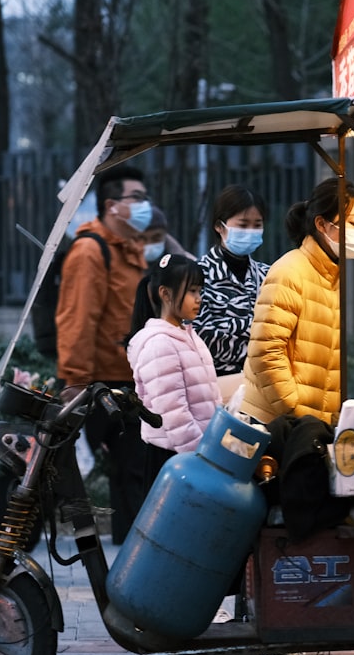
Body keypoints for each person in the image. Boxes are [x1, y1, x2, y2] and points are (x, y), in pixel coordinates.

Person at [55, 163, 150, 545]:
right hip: (97, 387)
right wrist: (76, 384)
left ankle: (131, 556)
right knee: (70, 474)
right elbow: (77, 321)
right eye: (137, 199)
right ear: (112, 205)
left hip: (128, 383)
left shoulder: (130, 251)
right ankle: (15, 541)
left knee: (134, 475)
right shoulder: (90, 253)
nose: (145, 207)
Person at [239, 177, 354, 426]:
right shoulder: (290, 271)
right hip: (276, 425)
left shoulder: (332, 275)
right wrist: (294, 409)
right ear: (321, 224)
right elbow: (264, 351)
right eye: (352, 223)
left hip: (309, 425)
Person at [125, 253, 220, 484]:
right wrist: (201, 456)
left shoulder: (189, 336)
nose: (198, 299)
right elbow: (174, 415)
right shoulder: (160, 344)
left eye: (200, 291)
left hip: (194, 455)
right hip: (175, 459)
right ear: (165, 294)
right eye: (191, 291)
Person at [194, 186, 271, 400]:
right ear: (220, 226)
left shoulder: (269, 275)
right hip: (214, 388)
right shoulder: (198, 275)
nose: (251, 231)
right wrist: (254, 333)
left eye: (257, 225)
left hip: (262, 389)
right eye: (243, 225)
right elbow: (200, 338)